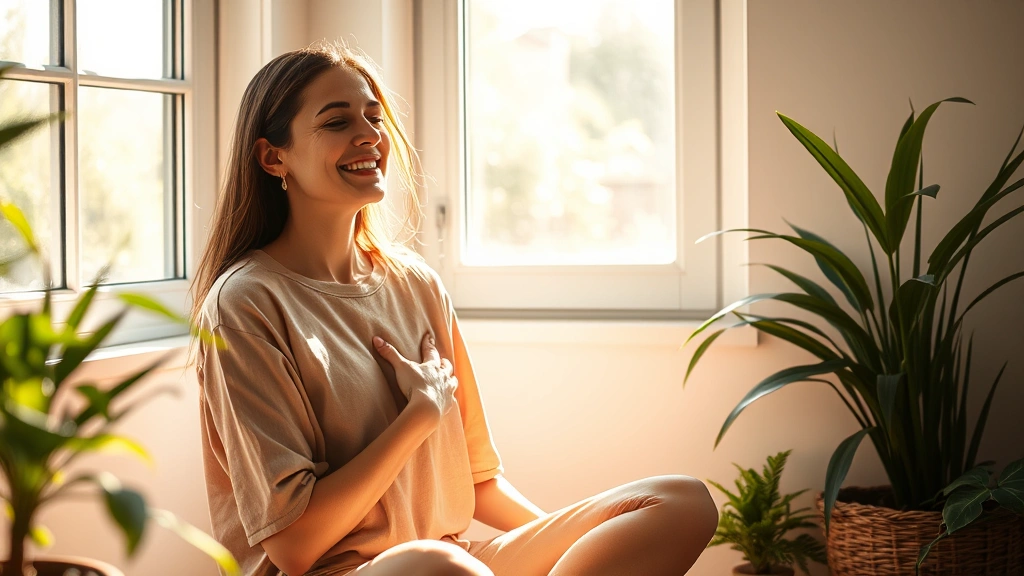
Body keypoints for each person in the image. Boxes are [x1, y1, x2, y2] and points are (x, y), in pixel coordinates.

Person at [190, 42, 718, 576]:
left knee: (680, 501)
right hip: (355, 570)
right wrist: (418, 416)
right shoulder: (245, 304)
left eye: (375, 117)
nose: (370, 134)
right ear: (273, 157)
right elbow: (295, 545)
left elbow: (478, 480)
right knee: (437, 565)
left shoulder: (416, 284)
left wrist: (570, 545)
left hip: (460, 562)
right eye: (336, 121)